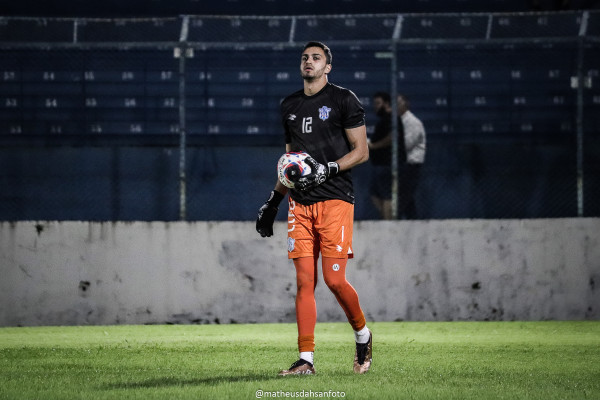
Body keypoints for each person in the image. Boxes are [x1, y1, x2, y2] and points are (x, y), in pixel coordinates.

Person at [256, 41, 373, 376]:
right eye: (305, 57)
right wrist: (273, 202)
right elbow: (290, 164)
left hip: (336, 199)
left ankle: (363, 336)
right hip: (300, 204)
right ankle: (305, 359)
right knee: (304, 282)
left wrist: (329, 169)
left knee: (334, 281)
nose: (309, 62)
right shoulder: (289, 105)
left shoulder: (343, 99)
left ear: (328, 66)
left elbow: (361, 150)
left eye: (316, 58)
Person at [396, 94, 426, 219]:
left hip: (412, 165)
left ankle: (396, 218)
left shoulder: (413, 122)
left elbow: (407, 144)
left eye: (399, 103)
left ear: (406, 104)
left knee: (404, 195)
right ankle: (412, 220)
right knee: (406, 197)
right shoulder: (400, 121)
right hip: (404, 165)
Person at [367, 91, 393, 219]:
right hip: (379, 165)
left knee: (386, 195)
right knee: (375, 194)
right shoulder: (383, 120)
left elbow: (391, 138)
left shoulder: (390, 119)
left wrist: (373, 146)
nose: (375, 106)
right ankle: (386, 218)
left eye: (378, 103)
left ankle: (389, 223)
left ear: (386, 104)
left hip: (385, 164)